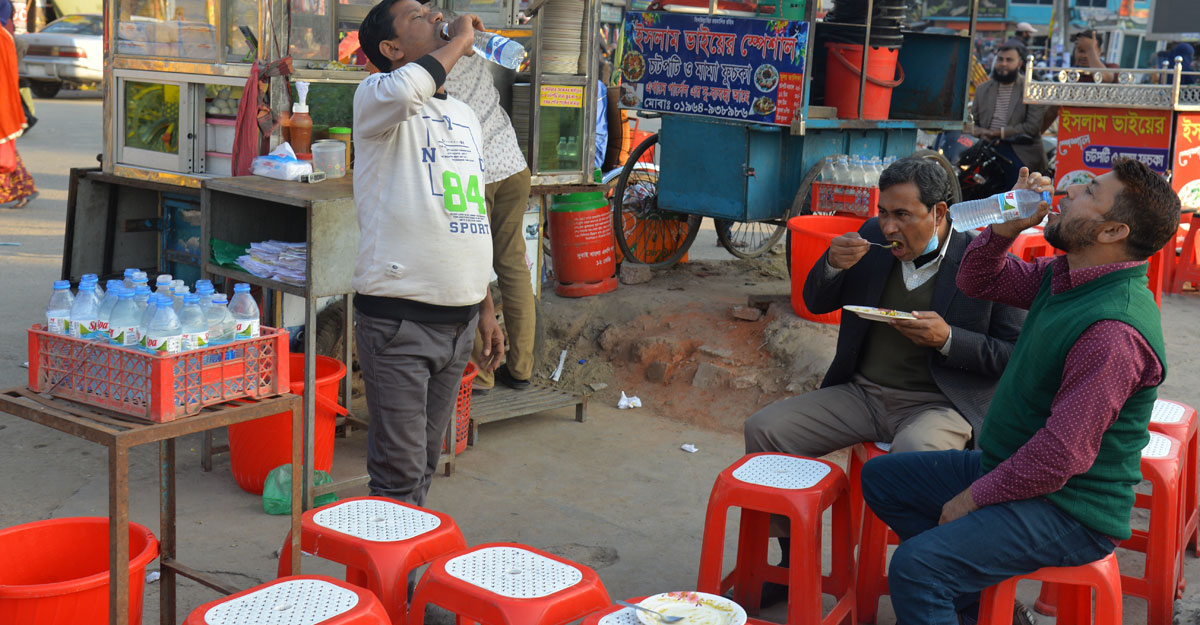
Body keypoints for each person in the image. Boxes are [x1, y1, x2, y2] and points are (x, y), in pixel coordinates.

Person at [860, 159, 1179, 625]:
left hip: (1070, 507)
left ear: (1112, 231)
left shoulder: (1113, 330)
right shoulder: (1068, 276)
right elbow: (977, 281)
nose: (1068, 193)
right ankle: (975, 609)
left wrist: (973, 499)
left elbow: (1059, 458)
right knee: (882, 480)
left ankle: (946, 589)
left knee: (916, 567)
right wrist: (1003, 229)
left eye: (1089, 192)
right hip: (1013, 466)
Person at [743, 157, 1025, 605]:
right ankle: (789, 561)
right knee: (766, 429)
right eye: (884, 212)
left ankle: (939, 577)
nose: (889, 227)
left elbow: (1013, 356)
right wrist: (831, 264)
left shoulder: (985, 261)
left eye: (903, 215)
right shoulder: (871, 241)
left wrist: (949, 340)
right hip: (863, 393)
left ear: (939, 213)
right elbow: (816, 301)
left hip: (939, 403)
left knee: (912, 461)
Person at [352, 0, 505, 505]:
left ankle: (404, 579)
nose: (433, 15)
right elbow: (406, 87)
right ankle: (387, 581)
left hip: (458, 323)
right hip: (399, 324)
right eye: (417, 16)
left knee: (421, 469)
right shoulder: (376, 96)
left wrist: (484, 308)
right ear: (391, 49)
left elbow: (471, 213)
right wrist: (461, 39)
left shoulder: (462, 115)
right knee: (396, 477)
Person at [435, 12, 536, 394]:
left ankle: (483, 373)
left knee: (471, 265)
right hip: (511, 161)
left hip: (473, 171)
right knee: (513, 265)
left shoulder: (430, 58)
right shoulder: (472, 39)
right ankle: (521, 368)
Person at [971, 42, 1047, 187]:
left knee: (1013, 187)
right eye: (1000, 59)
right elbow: (972, 120)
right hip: (985, 145)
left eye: (1009, 60)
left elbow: (1032, 127)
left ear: (1019, 64)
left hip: (1018, 148)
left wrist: (995, 133)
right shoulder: (982, 89)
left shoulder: (1033, 89)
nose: (1003, 64)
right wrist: (978, 131)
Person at [0, 25, 35, 208]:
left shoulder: (3, 37)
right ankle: (23, 190)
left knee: (6, 154)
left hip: (2, 105)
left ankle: (23, 190)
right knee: (7, 153)